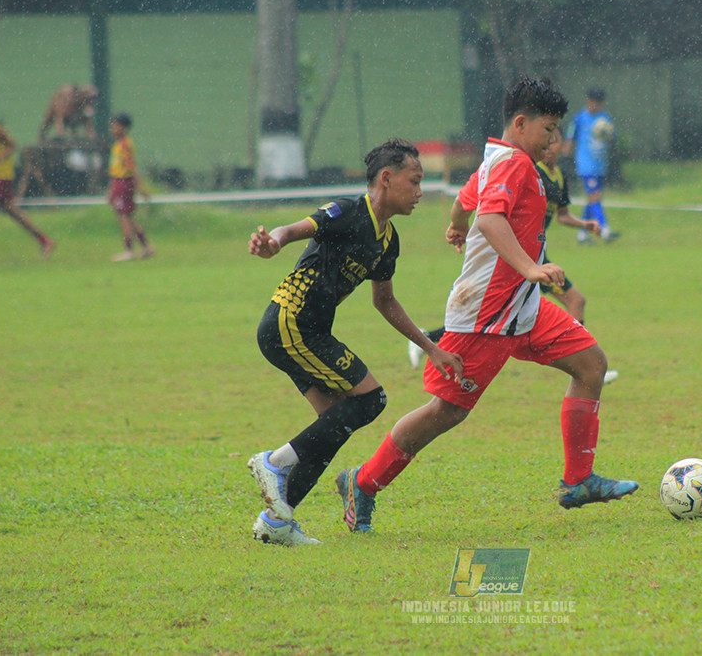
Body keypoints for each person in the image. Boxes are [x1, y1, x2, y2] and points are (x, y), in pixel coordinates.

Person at [337, 77, 638, 534]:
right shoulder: (513, 165)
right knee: (447, 411)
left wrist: (457, 227)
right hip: (487, 315)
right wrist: (531, 268)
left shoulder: (496, 159)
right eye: (548, 129)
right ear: (521, 123)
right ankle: (362, 481)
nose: (554, 140)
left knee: (591, 365)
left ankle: (578, 481)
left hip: (524, 310)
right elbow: (491, 217)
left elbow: (465, 202)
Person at [246, 138, 464, 546]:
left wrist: (431, 348)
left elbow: (385, 301)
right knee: (371, 400)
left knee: (337, 422)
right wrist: (272, 244)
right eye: (414, 181)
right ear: (387, 178)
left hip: (310, 333)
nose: (420, 192)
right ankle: (274, 462)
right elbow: (292, 230)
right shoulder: (347, 212)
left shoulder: (388, 241)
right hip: (289, 322)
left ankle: (277, 522)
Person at [407, 132, 619, 383]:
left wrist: (584, 225)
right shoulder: (524, 167)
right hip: (521, 256)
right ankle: (583, 363)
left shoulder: (558, 177)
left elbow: (562, 215)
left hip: (535, 255)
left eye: (557, 138)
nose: (551, 144)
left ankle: (428, 339)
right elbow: (483, 207)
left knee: (512, 314)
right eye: (547, 134)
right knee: (569, 301)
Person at [0, 120, 56, 256]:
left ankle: (44, 239)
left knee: (8, 207)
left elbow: (12, 145)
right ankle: (44, 239)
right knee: (11, 209)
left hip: (1, 174)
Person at [564, 86, 618, 243]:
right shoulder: (579, 119)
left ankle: (582, 234)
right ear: (588, 101)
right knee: (595, 197)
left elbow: (612, 138)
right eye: (594, 102)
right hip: (586, 166)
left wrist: (607, 135)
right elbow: (569, 140)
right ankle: (605, 229)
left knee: (592, 199)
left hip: (600, 165)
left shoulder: (605, 119)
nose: (597, 105)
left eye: (599, 103)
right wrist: (565, 159)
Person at [107, 113, 154, 262]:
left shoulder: (125, 145)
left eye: (116, 126)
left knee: (124, 217)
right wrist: (111, 190)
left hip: (124, 183)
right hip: (118, 183)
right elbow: (115, 169)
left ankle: (129, 250)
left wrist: (141, 187)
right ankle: (146, 247)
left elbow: (131, 167)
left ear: (124, 128)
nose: (113, 129)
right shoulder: (118, 145)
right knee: (128, 217)